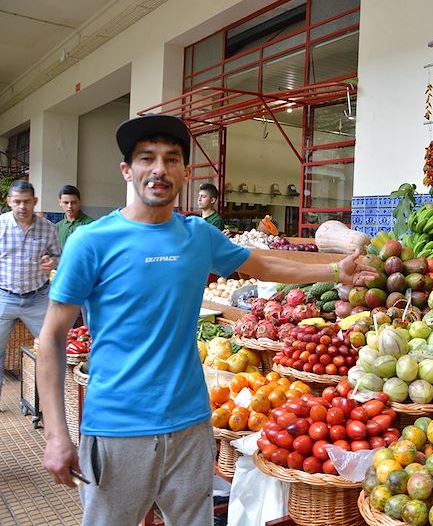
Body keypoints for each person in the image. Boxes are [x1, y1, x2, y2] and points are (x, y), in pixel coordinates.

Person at [36, 114, 376, 525]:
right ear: (127, 170)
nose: (159, 168)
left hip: (191, 425)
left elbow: (263, 264)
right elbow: (52, 339)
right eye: (147, 158)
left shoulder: (198, 235)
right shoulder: (91, 242)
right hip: (117, 426)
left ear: (183, 172)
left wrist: (335, 270)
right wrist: (57, 435)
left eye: (171, 158)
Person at [0, 180, 60, 398]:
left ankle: (50, 401)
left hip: (38, 298)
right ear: (9, 202)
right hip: (4, 297)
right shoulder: (1, 225)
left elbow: (58, 256)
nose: (22, 207)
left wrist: (53, 262)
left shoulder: (49, 228)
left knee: (51, 349)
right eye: (17, 202)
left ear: (35, 201)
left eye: (27, 202)